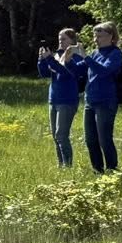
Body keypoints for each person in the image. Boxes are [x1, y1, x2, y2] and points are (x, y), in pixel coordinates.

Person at [81, 21, 122, 173]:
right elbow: (79, 70)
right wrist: (63, 60)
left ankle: (112, 169)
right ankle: (97, 170)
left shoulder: (116, 54)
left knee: (104, 139)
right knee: (90, 139)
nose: (96, 39)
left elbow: (104, 71)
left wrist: (85, 57)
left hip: (106, 102)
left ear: (111, 36)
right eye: (95, 36)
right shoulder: (95, 53)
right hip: (90, 101)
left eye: (99, 36)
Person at [36, 27, 83, 168]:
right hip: (54, 99)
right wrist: (42, 60)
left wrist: (49, 59)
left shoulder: (75, 56)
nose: (60, 41)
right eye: (59, 39)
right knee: (55, 136)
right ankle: (61, 164)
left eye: (64, 39)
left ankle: (67, 166)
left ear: (72, 40)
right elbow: (45, 74)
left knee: (61, 135)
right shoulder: (56, 55)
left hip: (67, 100)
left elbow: (65, 72)